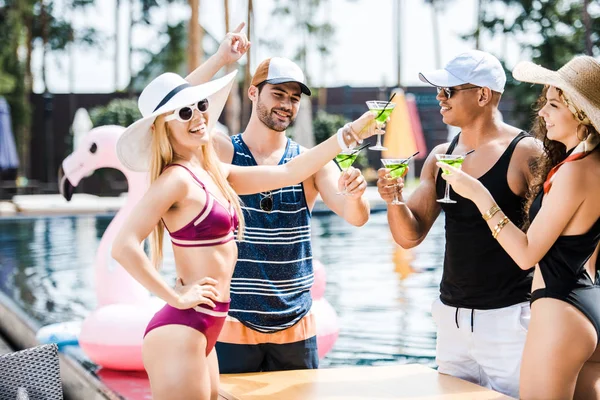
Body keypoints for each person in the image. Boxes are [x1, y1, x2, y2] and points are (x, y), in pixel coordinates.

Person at [110, 66, 378, 399]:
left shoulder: (212, 172)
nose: (197, 116)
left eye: (201, 106)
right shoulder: (176, 179)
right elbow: (123, 246)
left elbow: (289, 172)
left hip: (210, 327)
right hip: (186, 328)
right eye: (183, 112)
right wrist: (174, 295)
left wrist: (349, 134)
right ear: (163, 126)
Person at [376, 50, 542, 398]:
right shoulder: (440, 156)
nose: (440, 97)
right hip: (450, 317)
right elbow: (410, 236)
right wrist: (394, 200)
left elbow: (551, 239)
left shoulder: (527, 152)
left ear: (482, 95)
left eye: (448, 90)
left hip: (509, 318)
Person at [438, 55, 600, 400]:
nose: (542, 113)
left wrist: (480, 195)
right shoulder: (595, 166)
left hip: (560, 312)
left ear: (582, 114)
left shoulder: (574, 171)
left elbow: (526, 255)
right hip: (589, 305)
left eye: (554, 105)